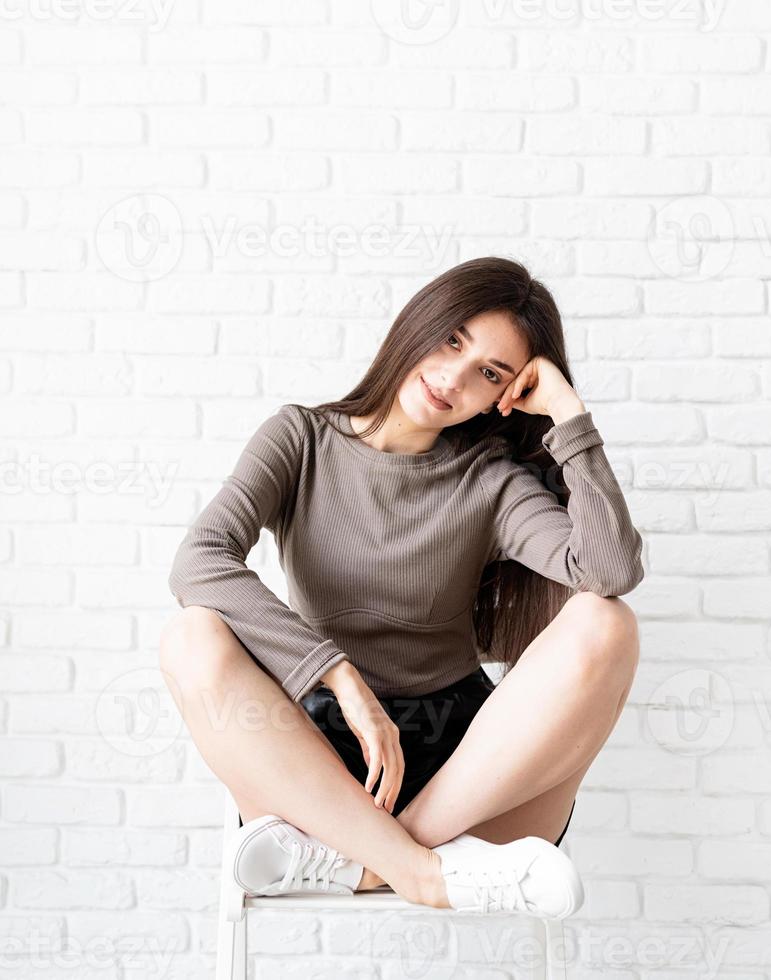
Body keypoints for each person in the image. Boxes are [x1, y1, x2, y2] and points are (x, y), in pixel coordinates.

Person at [160, 256, 644, 915]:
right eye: (453, 340)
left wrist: (567, 411)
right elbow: (199, 560)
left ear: (505, 396)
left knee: (607, 622)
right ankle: (423, 872)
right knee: (192, 634)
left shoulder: (493, 481)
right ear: (420, 323)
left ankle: (374, 863)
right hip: (321, 761)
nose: (453, 378)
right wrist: (338, 677)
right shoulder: (301, 439)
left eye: (490, 373)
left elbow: (609, 571)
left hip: (467, 772)